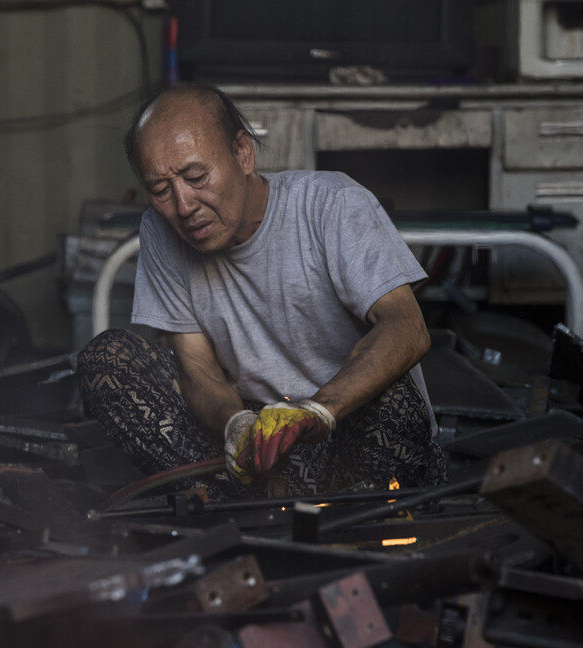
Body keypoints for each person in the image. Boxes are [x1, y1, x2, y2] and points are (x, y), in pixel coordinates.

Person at [78, 82, 445, 499]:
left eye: (196, 177)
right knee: (108, 360)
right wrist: (236, 425)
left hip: (347, 431)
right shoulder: (160, 232)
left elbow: (408, 327)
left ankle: (346, 516)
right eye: (161, 191)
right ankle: (238, 505)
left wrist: (317, 412)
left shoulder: (332, 204)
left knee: (393, 389)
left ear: (243, 153)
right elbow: (198, 371)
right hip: (261, 453)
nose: (183, 206)